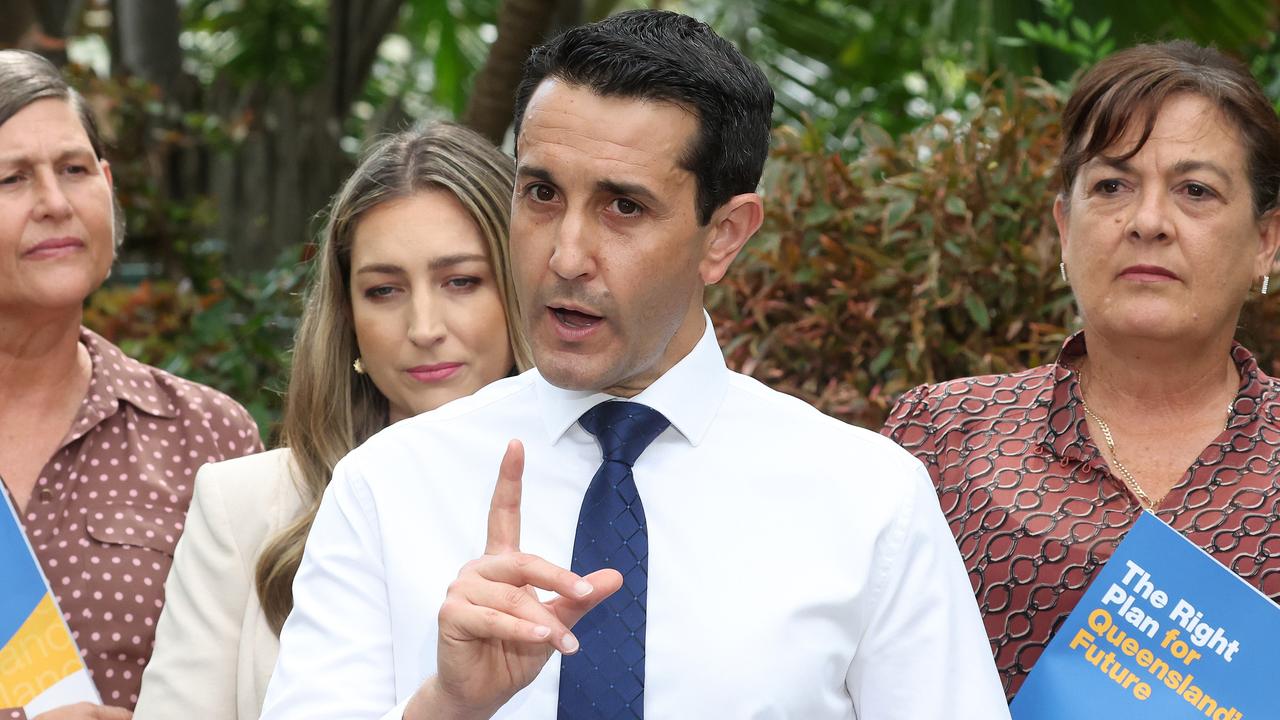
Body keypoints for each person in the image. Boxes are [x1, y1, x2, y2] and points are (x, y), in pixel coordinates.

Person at [261, 10, 1009, 720]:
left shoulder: (865, 499)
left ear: (724, 236)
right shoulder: (388, 487)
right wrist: (447, 708)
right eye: (542, 193)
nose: (566, 255)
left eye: (623, 207)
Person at [882, 40, 1280, 700]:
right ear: (1065, 226)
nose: (1148, 221)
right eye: (1112, 186)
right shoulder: (941, 437)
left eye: (1196, 190)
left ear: (1266, 241)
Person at [131, 122, 531, 720]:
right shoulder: (243, 508)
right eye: (384, 290)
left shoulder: (611, 485)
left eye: (461, 281)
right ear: (348, 317)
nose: (424, 327)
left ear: (522, 286)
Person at [0, 50, 262, 718]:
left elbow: (271, 686)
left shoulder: (209, 437)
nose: (55, 203)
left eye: (74, 170)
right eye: (11, 179)